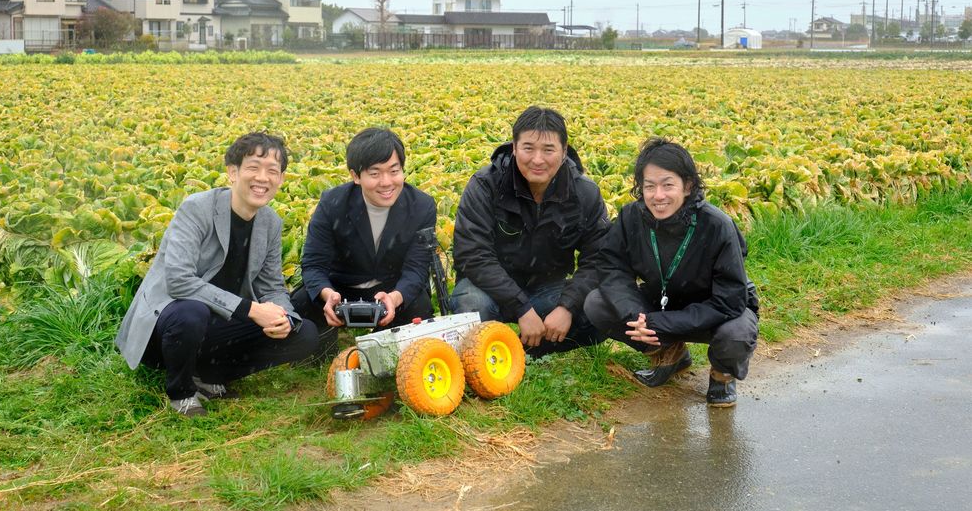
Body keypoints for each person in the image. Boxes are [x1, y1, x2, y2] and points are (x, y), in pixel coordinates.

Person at [115, 133, 318, 417]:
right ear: (232, 173)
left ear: (281, 179)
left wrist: (283, 317)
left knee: (304, 333)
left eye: (272, 171)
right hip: (168, 327)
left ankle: (209, 374)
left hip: (218, 325)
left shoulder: (270, 222)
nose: (263, 178)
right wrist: (251, 309)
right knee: (191, 313)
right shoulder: (197, 208)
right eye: (253, 168)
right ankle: (181, 392)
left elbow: (272, 286)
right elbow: (179, 281)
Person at [583, 138, 759, 407]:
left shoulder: (716, 225)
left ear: (687, 186)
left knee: (736, 333)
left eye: (668, 185)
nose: (658, 196)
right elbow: (611, 266)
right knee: (597, 304)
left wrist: (659, 323)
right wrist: (637, 317)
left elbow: (729, 301)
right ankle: (670, 354)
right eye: (649, 186)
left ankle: (722, 374)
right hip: (661, 303)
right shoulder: (632, 217)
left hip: (715, 311)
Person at [451, 106, 610, 358]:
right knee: (471, 307)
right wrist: (522, 308)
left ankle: (515, 353)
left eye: (548, 150)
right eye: (528, 148)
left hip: (548, 288)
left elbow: (600, 258)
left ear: (564, 151)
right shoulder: (486, 185)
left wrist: (568, 307)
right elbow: (473, 254)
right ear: (514, 147)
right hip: (489, 288)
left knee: (600, 309)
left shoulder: (584, 192)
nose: (537, 159)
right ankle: (492, 352)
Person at [291, 127, 436, 355]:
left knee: (418, 307)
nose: (386, 182)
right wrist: (328, 295)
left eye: (394, 171)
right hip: (340, 288)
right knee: (302, 302)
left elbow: (416, 268)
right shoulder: (333, 203)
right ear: (356, 176)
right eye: (375, 173)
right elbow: (313, 264)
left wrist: (395, 297)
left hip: (390, 288)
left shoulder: (422, 206)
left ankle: (394, 347)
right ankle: (319, 352)